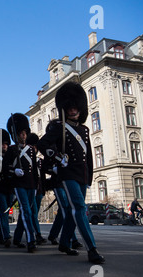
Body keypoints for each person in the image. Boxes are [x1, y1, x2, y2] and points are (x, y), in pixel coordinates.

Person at [38, 81, 105, 264]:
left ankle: (65, 242)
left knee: (75, 209)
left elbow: (88, 156)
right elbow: (42, 144)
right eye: (70, 107)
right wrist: (58, 157)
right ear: (64, 108)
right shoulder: (59, 126)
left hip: (81, 173)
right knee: (79, 209)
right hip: (67, 173)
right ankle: (92, 248)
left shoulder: (84, 129)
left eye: (76, 107)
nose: (73, 110)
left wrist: (90, 177)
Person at [3, 113, 39, 253]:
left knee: (27, 211)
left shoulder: (31, 150)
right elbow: (5, 168)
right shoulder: (12, 150)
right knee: (26, 210)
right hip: (19, 184)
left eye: (25, 133)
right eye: (20, 133)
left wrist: (36, 185)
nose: (23, 136)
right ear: (15, 135)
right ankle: (31, 240)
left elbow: (35, 170)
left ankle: (17, 238)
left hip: (30, 184)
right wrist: (14, 172)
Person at [0, 128, 14, 248]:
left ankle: (1, 235)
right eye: (2, 144)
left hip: (10, 188)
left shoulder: (11, 157)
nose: (4, 146)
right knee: (4, 211)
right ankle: (6, 236)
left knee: (4, 212)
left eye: (6, 144)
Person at [26, 132, 47, 245]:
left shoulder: (39, 160)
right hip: (31, 188)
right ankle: (37, 234)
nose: (34, 148)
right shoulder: (26, 158)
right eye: (32, 146)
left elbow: (42, 176)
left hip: (39, 190)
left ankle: (32, 232)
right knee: (33, 212)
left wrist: (43, 190)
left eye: (35, 146)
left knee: (35, 212)